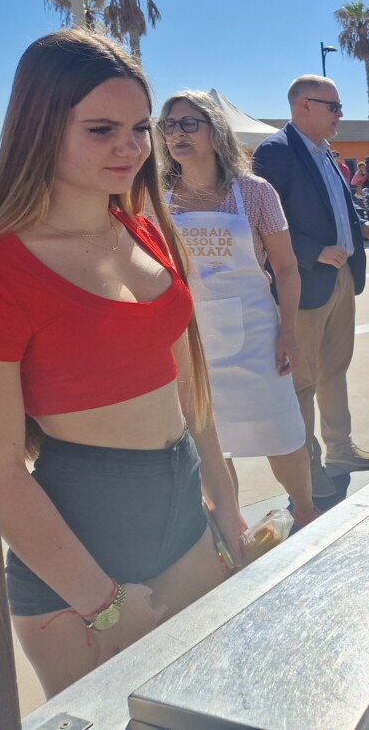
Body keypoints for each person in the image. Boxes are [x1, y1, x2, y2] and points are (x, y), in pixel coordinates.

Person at [0, 29, 243, 697]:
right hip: (76, 563)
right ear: (39, 127)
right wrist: (104, 603)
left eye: (139, 128)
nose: (131, 147)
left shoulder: (144, 229)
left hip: (185, 517)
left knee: (214, 703)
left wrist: (226, 502)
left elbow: (188, 386)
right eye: (101, 129)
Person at [160, 90, 319, 528]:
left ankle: (305, 512)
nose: (177, 134)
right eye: (170, 125)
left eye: (189, 123)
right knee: (210, 442)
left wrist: (289, 330)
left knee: (282, 432)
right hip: (192, 343)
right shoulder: (158, 200)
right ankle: (232, 530)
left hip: (256, 335)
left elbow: (286, 267)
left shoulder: (255, 193)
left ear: (215, 129)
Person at [252, 76, 369, 500]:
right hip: (305, 284)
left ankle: (339, 449)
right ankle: (306, 467)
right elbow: (265, 221)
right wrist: (312, 251)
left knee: (334, 370)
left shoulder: (324, 153)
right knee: (302, 382)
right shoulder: (274, 154)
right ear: (303, 105)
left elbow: (335, 205)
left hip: (341, 276)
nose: (340, 115)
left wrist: (359, 225)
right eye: (334, 107)